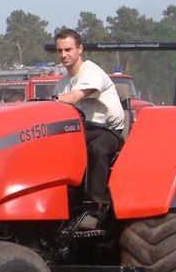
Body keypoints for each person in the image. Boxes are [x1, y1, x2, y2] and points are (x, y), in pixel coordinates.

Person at [52, 28, 124, 230]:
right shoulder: (62, 83)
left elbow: (75, 97)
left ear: (80, 49)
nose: (63, 55)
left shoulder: (91, 72)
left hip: (106, 131)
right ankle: (61, 208)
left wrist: (50, 101)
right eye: (60, 51)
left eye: (68, 49)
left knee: (97, 149)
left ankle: (94, 208)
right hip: (79, 131)